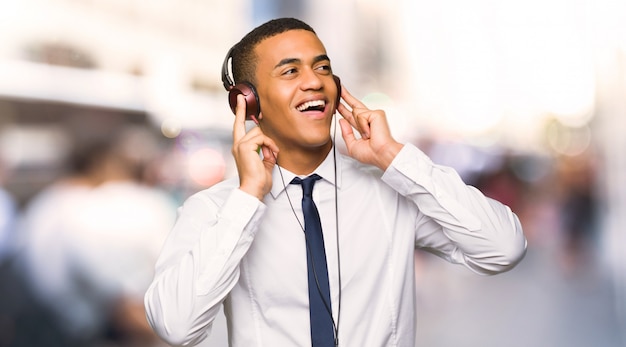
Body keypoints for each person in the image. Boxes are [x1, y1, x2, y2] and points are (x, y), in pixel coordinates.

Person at [144, 17, 527, 347]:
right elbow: (176, 327)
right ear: (249, 103)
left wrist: (394, 156)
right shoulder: (215, 210)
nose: (313, 81)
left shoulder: (391, 189)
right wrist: (248, 198)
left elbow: (503, 248)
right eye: (290, 71)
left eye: (323, 68)